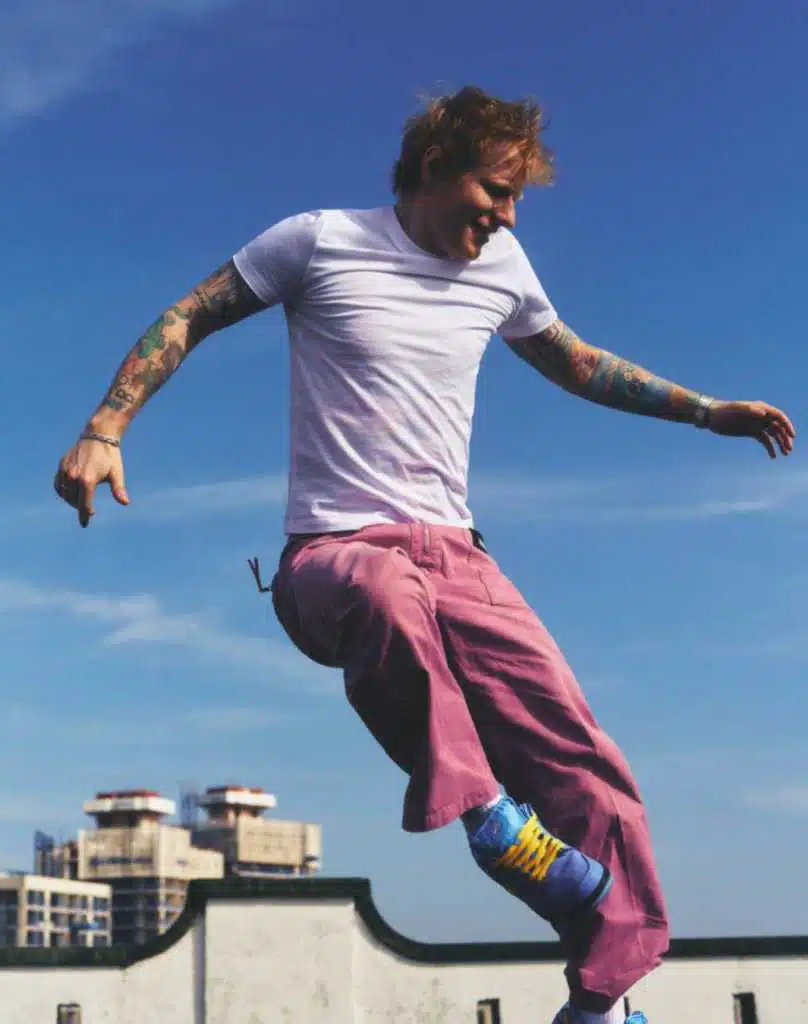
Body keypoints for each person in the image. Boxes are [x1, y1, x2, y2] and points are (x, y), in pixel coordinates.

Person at [52, 85, 796, 1024]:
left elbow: (577, 361)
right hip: (334, 557)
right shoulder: (318, 241)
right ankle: (492, 821)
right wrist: (106, 425)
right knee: (385, 590)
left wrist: (706, 411)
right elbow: (190, 313)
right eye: (497, 191)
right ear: (437, 165)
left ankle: (603, 1002)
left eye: (517, 200)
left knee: (580, 753)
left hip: (458, 556)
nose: (508, 216)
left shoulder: (504, 268)